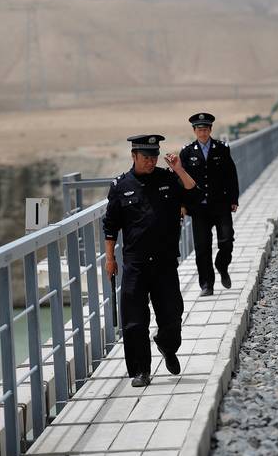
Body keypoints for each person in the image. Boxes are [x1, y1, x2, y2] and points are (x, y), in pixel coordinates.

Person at [103, 134, 202, 387]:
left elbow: (194, 194)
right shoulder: (120, 186)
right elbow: (110, 226)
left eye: (154, 157)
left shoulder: (168, 179)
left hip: (164, 261)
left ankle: (167, 346)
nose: (151, 161)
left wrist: (179, 169)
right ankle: (141, 371)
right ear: (134, 156)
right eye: (146, 157)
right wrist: (110, 258)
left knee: (172, 315)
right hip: (135, 264)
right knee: (134, 321)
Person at [179, 112, 239, 296]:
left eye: (205, 129)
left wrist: (233, 199)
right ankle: (207, 284)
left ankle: (222, 265)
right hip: (199, 208)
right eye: (199, 130)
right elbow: (181, 180)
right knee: (202, 248)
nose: (203, 133)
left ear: (210, 130)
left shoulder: (222, 149)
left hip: (220, 204)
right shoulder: (187, 152)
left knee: (227, 240)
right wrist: (182, 205)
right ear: (194, 131)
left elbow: (231, 175)